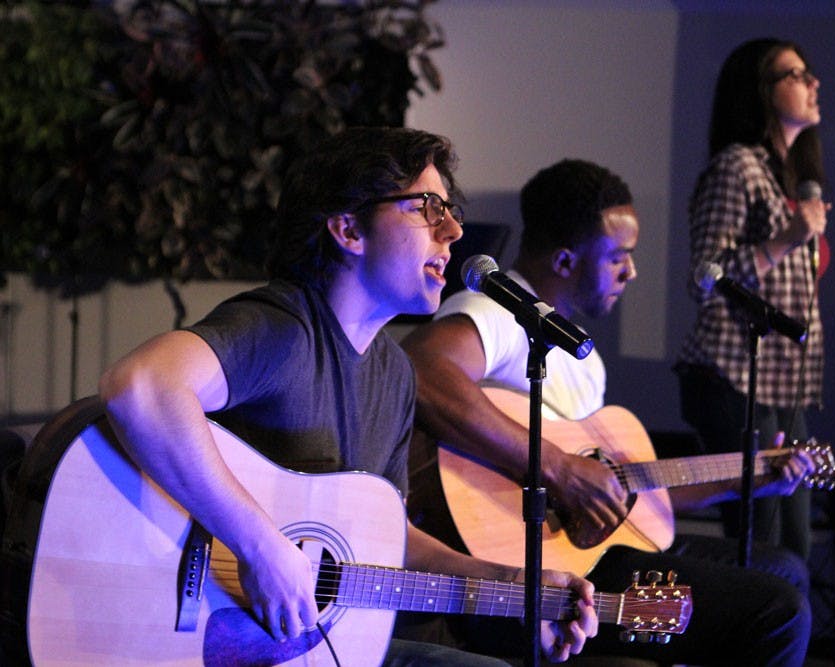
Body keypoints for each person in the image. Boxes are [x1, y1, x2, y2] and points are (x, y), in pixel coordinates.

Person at [97, 127, 597, 666]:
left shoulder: (395, 375)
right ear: (347, 229)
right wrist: (261, 547)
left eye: (450, 210)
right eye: (426, 207)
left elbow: (389, 540)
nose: (452, 230)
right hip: (189, 635)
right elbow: (143, 386)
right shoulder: (281, 328)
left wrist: (516, 589)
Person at [399, 158, 815, 666]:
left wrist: (744, 478)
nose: (632, 272)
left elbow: (623, 493)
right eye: (619, 256)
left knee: (784, 570)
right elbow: (421, 368)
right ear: (566, 261)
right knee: (777, 611)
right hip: (530, 566)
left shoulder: (582, 355)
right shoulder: (497, 313)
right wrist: (557, 466)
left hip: (597, 552)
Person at [675, 38, 830, 561]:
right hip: (734, 376)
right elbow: (703, 275)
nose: (813, 83)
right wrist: (784, 239)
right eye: (796, 74)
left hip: (785, 384)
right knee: (761, 543)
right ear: (759, 92)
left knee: (795, 544)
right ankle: (748, 633)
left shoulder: (786, 177)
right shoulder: (736, 168)